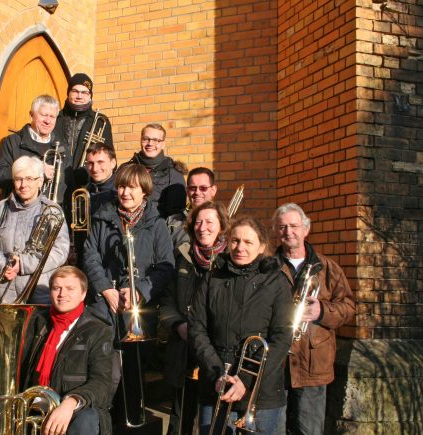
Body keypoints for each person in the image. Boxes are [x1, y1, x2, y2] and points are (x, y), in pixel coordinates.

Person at [0, 266, 115, 435]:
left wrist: (71, 402)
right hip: (32, 408)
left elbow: (103, 383)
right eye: (57, 288)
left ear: (83, 294)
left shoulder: (98, 330)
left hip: (72, 411)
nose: (62, 294)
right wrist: (2, 400)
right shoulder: (37, 323)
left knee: (88, 417)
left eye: (70, 288)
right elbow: (20, 371)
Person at [82, 163, 175, 426]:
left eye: (132, 187)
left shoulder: (156, 223)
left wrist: (140, 290)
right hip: (105, 308)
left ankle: (129, 425)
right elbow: (90, 256)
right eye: (121, 186)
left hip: (139, 311)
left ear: (144, 191)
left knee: (133, 376)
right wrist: (105, 288)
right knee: (106, 374)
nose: (125, 192)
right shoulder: (103, 217)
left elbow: (166, 266)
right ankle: (101, 425)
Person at [189, 216, 293, 435]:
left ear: (262, 247)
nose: (240, 248)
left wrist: (245, 380)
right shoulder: (212, 278)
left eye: (248, 242)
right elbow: (197, 327)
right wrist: (218, 373)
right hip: (216, 384)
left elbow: (282, 337)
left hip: (261, 393)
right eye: (235, 241)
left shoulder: (277, 282)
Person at [272, 203, 355, 435]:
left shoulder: (328, 268)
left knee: (308, 431)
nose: (288, 232)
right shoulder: (267, 266)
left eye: (294, 226)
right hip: (276, 366)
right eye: (282, 227)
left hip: (312, 367)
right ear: (276, 231)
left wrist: (322, 312)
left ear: (305, 229)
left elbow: (349, 308)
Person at [160, 201, 229, 435]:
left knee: (212, 421)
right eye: (198, 222)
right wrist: (178, 325)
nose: (203, 227)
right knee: (180, 420)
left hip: (217, 352)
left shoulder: (231, 261)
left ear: (221, 227)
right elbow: (168, 302)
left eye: (210, 222)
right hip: (185, 350)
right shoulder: (183, 257)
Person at [0, 155, 70, 305]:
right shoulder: (0, 208)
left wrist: (24, 264)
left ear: (40, 181)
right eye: (18, 179)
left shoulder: (52, 211)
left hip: (40, 293)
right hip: (3, 292)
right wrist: (2, 265)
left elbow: (60, 250)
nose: (23, 184)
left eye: (29, 179)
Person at [0, 94, 70, 203]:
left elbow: (68, 186)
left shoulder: (62, 149)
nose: (48, 121)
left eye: (52, 117)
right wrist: (35, 171)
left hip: (51, 214)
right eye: (43, 115)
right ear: (31, 115)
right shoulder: (12, 142)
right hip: (17, 212)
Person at [53, 73, 113, 172]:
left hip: (89, 179)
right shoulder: (55, 118)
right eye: (75, 91)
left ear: (90, 96)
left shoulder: (100, 121)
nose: (79, 96)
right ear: (68, 93)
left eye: (85, 92)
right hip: (59, 177)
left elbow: (109, 155)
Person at [124, 123, 186, 218]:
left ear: (163, 144)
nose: (150, 144)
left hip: (158, 229)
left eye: (156, 140)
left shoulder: (173, 174)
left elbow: (175, 216)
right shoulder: (125, 169)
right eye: (146, 139)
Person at [167, 167, 218, 249]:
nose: (197, 192)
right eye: (192, 188)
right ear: (187, 191)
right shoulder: (172, 221)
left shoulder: (222, 221)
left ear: (213, 190)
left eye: (203, 188)